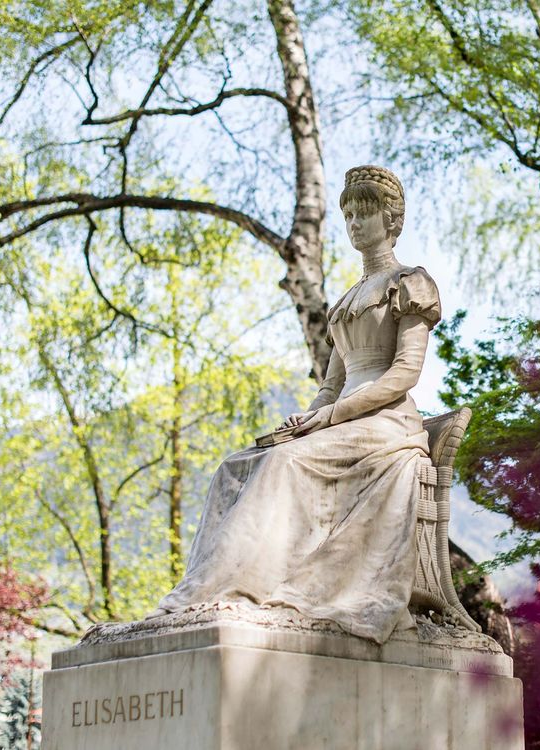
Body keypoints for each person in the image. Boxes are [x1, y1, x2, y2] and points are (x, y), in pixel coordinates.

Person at [148, 165, 441, 644]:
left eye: (366, 213)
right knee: (235, 467)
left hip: (386, 422)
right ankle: (205, 588)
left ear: (393, 220)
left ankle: (248, 588)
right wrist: (309, 417)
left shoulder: (411, 282)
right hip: (339, 420)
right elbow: (332, 384)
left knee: (284, 463)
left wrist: (332, 415)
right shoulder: (347, 300)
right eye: (348, 215)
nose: (355, 224)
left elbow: (404, 373)